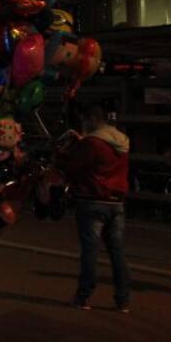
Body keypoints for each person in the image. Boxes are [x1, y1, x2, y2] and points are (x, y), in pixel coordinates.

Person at [57, 102, 131, 312]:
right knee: (117, 251)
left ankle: (84, 296)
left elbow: (74, 165)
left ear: (91, 120)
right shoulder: (122, 142)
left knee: (90, 251)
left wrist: (66, 150)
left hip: (92, 200)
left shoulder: (92, 144)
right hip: (116, 202)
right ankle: (123, 300)